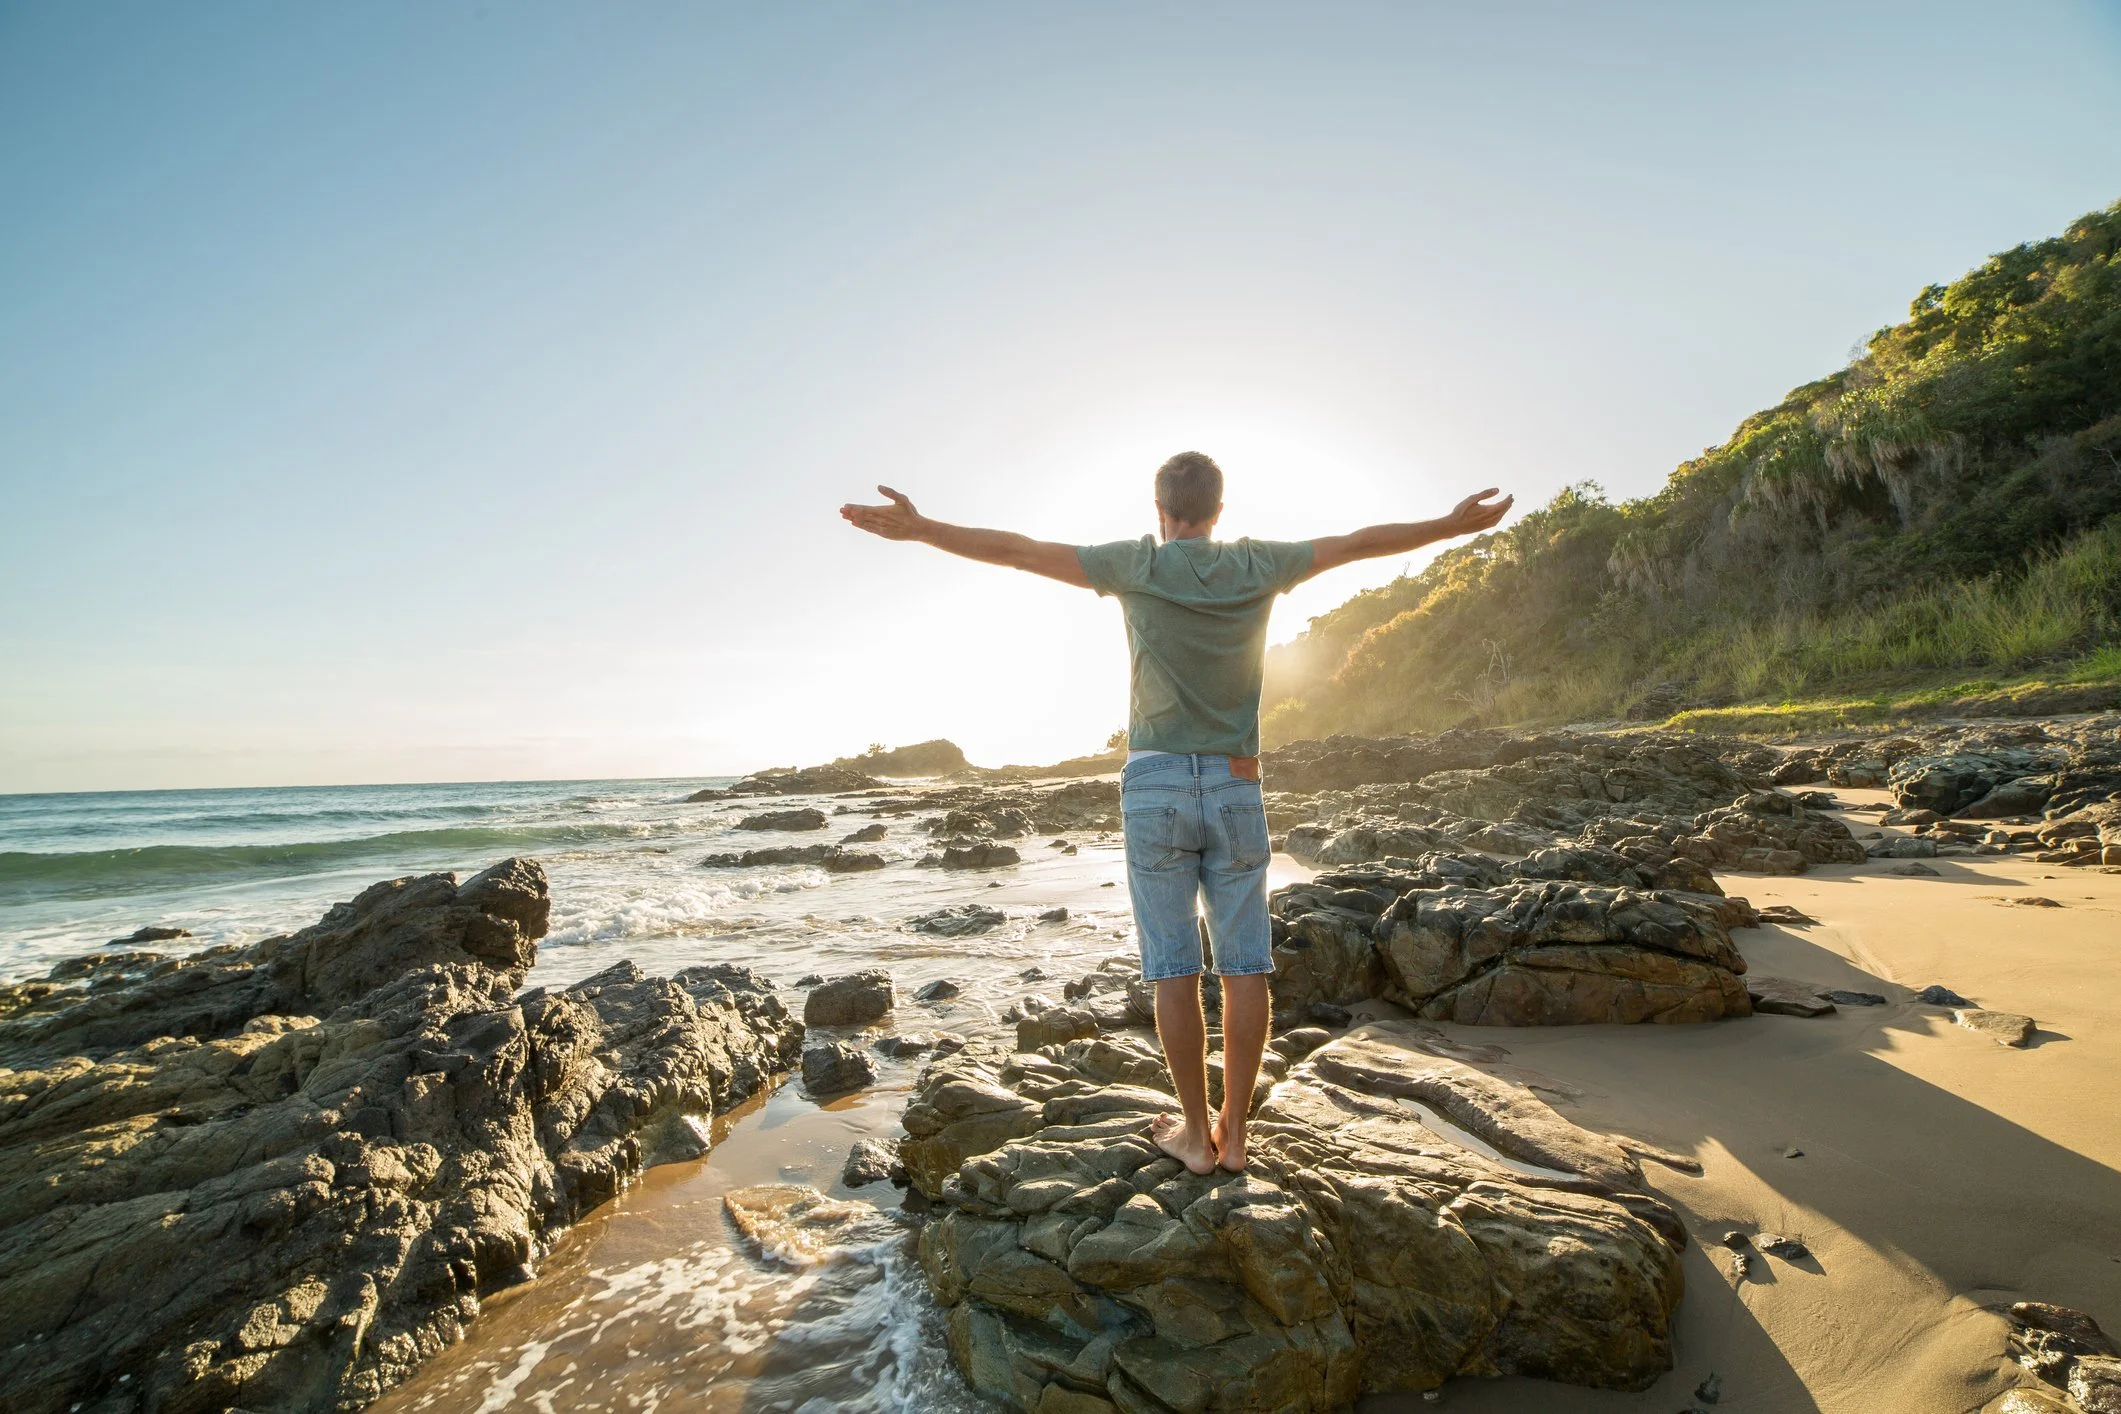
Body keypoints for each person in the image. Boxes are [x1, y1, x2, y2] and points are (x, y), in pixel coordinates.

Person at [840, 452, 1511, 1174]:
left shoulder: (1138, 565)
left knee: (1172, 970)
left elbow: (1017, 552)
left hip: (1155, 781)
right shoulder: (1258, 563)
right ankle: (1236, 1134)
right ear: (1219, 511)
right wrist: (1447, 526)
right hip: (1234, 780)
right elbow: (1356, 543)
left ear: (1159, 511)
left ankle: (1194, 1134)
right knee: (1244, 965)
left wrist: (921, 528)